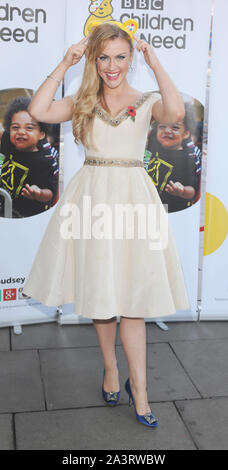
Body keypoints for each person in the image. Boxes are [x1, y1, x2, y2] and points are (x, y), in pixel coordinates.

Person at [22, 20, 190, 427]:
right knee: (101, 294)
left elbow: (177, 111)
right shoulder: (82, 100)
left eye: (120, 57)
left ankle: (142, 391)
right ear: (94, 60)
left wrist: (156, 63)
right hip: (93, 199)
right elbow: (38, 110)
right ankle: (111, 370)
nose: (111, 66)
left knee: (132, 300)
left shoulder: (147, 99)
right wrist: (65, 63)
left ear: (130, 58)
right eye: (103, 58)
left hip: (133, 201)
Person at [0, 97, 58, 218]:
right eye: (15, 127)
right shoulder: (9, 141)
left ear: (41, 134)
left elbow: (50, 194)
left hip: (25, 216)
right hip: (4, 205)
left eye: (29, 128)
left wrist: (39, 193)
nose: (21, 132)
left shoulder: (44, 161)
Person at [145, 101, 200, 212]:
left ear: (186, 134)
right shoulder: (154, 141)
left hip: (171, 209)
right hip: (148, 203)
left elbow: (192, 191)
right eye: (162, 126)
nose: (167, 131)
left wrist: (182, 191)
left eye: (175, 127)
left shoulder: (187, 159)